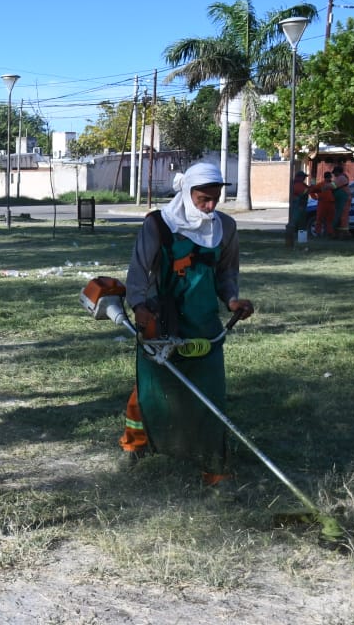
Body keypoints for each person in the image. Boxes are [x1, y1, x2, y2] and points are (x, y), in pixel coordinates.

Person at [117, 164, 254, 496]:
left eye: (215, 199)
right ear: (187, 192)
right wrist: (140, 309)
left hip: (204, 325)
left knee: (210, 396)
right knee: (153, 390)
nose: (210, 206)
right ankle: (139, 448)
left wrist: (233, 301)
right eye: (203, 199)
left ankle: (213, 467)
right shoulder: (158, 225)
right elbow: (138, 274)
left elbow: (226, 274)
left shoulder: (226, 227)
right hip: (161, 322)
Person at [310, 171, 336, 237]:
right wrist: (315, 198)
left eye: (330, 177)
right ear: (326, 178)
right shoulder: (320, 184)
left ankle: (330, 233)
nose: (330, 178)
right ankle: (318, 233)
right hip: (322, 203)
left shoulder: (333, 184)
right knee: (319, 219)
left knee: (330, 219)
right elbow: (311, 191)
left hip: (331, 203)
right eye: (329, 177)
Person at [288, 170, 311, 240]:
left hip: (300, 206)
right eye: (303, 177)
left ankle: (298, 239)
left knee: (299, 223)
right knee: (300, 224)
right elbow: (304, 191)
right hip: (298, 207)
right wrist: (310, 188)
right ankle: (301, 239)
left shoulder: (299, 184)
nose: (304, 178)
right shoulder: (298, 185)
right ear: (299, 177)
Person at [330, 165, 352, 236]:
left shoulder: (341, 178)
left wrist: (324, 186)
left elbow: (333, 186)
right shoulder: (342, 177)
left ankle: (344, 233)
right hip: (342, 199)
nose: (334, 174)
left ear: (338, 172)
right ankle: (341, 232)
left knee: (343, 216)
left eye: (334, 173)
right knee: (341, 216)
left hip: (344, 200)